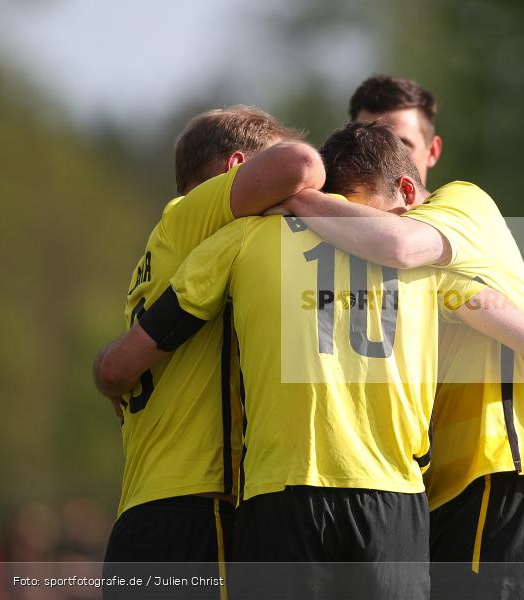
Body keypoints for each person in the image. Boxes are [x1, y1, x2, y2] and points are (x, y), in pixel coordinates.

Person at [95, 122, 524, 599]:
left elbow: (134, 353)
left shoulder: (238, 238)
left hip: (275, 494)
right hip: (393, 499)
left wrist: (110, 374)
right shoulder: (431, 268)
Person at [277, 74, 524, 600]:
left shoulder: (460, 206)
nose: (379, 151)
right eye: (366, 138)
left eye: (398, 140)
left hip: (496, 474)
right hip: (425, 493)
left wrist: (293, 199)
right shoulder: (348, 244)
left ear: (427, 154)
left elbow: (404, 247)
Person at [93, 106, 324, 576]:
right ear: (237, 169)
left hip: (144, 514)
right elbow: (300, 166)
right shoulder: (195, 215)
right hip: (196, 515)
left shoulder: (161, 251)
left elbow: (115, 367)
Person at [349, 74, 443, 189]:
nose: (383, 163)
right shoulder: (328, 200)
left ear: (433, 151)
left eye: (401, 146)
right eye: (368, 145)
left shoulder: (463, 203)